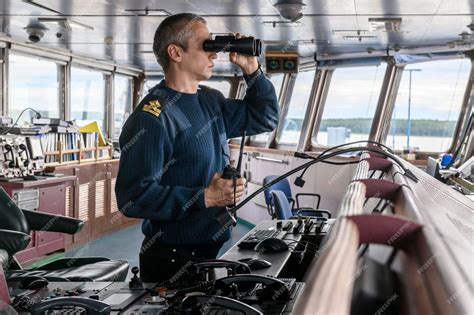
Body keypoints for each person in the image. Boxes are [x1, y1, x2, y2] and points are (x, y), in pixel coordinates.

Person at [115, 13, 279, 283]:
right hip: (173, 258)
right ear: (176, 52)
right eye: (206, 46)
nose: (214, 54)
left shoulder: (210, 100)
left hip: (213, 249)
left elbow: (265, 117)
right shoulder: (153, 117)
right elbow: (132, 197)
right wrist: (205, 197)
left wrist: (252, 69)